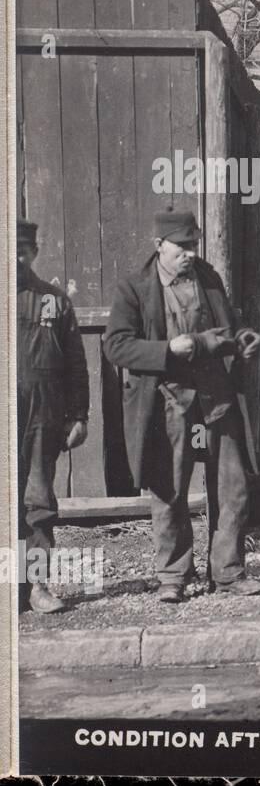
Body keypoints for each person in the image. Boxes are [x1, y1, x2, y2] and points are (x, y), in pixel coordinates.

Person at [103, 209, 260, 603]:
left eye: (193, 245)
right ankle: (173, 576)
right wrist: (165, 350)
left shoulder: (208, 278)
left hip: (215, 398)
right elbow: (116, 345)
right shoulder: (135, 287)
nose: (189, 253)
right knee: (169, 489)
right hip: (168, 402)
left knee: (233, 487)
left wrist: (243, 339)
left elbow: (228, 328)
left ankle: (228, 574)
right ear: (159, 245)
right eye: (181, 246)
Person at [16, 218, 89, 614]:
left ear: (35, 252)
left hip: (43, 418)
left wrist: (79, 415)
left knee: (39, 501)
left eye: (24, 250)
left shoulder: (54, 301)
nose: (17, 257)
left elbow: (77, 364)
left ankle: (37, 587)